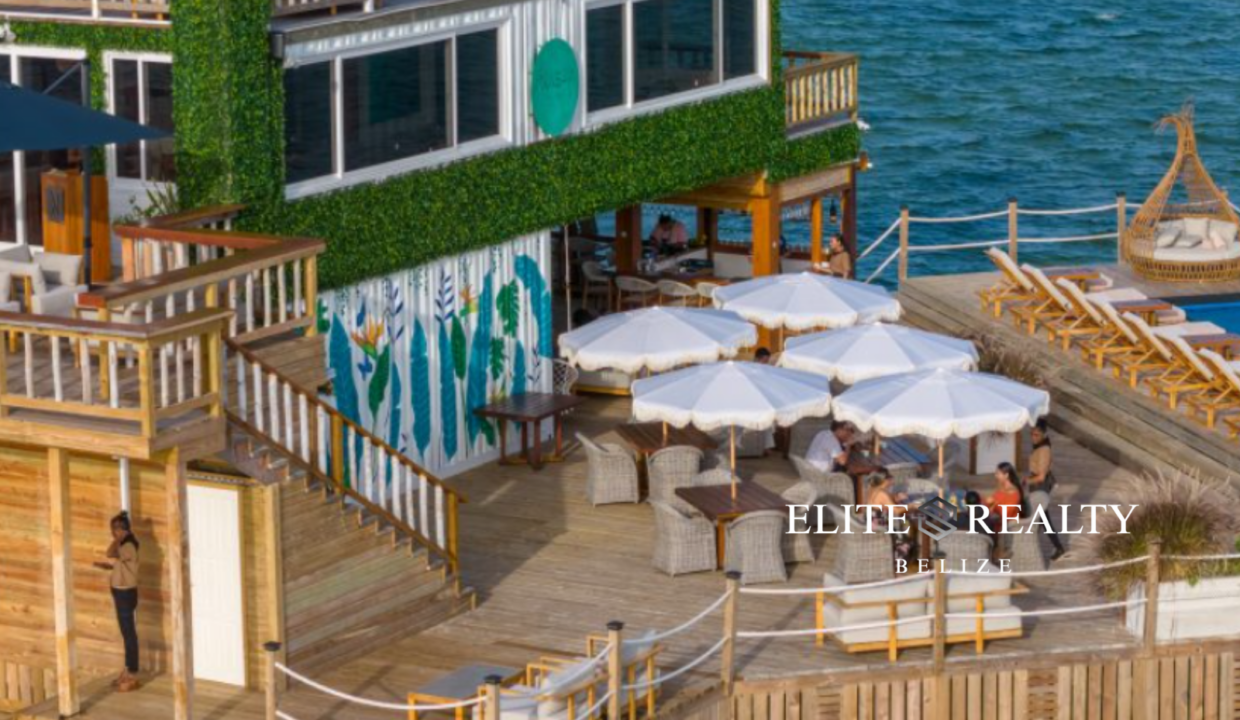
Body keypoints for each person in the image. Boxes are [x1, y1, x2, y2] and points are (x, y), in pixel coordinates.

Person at [94, 511, 141, 692]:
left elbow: (110, 552)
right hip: (123, 593)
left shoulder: (128, 544)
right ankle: (128, 669)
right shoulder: (126, 544)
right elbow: (124, 564)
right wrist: (110, 567)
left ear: (121, 529)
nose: (112, 533)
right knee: (126, 633)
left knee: (128, 634)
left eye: (114, 530)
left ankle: (132, 672)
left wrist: (118, 538)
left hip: (125, 595)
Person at [1026, 419, 1067, 560]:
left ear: (1044, 434)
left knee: (1040, 519)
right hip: (1037, 486)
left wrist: (1025, 481)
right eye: (1031, 434)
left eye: (1036, 434)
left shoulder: (1044, 450)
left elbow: (1041, 476)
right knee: (1042, 519)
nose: (1033, 437)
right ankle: (1057, 547)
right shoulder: (1041, 446)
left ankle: (1055, 548)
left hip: (1040, 487)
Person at [984, 463, 1025, 534]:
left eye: (998, 474)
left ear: (1006, 475)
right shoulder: (1002, 487)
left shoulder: (1012, 492)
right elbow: (992, 501)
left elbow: (1006, 514)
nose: (995, 476)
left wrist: (993, 504)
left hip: (1007, 526)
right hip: (996, 520)